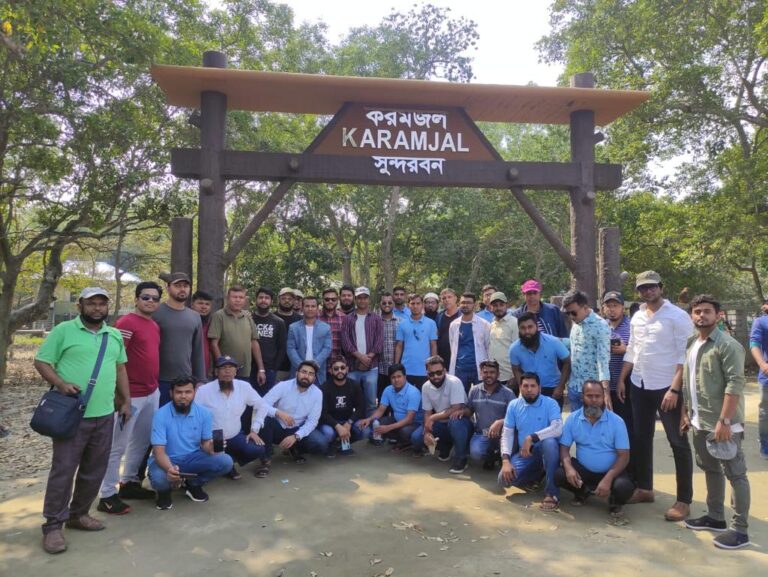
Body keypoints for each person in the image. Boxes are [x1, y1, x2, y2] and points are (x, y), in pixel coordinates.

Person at [34, 287, 130, 554]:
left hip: (104, 415)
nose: (97, 308)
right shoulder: (64, 331)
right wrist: (60, 384)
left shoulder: (113, 335)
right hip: (72, 416)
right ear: (81, 306)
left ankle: (79, 514)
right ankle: (53, 525)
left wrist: (126, 401)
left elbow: (120, 368)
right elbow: (42, 361)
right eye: (92, 303)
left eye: (102, 304)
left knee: (94, 469)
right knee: (63, 470)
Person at [618, 270, 694, 522]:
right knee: (641, 438)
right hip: (639, 384)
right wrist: (622, 378)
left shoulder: (678, 316)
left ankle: (684, 500)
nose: (647, 291)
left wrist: (675, 388)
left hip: (667, 387)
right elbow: (632, 350)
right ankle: (645, 488)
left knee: (678, 443)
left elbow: (685, 355)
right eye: (642, 288)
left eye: (651, 287)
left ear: (661, 287)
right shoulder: (638, 316)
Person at [681, 295, 752, 550]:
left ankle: (740, 530)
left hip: (723, 423)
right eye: (697, 311)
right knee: (710, 468)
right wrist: (687, 413)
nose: (702, 316)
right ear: (692, 316)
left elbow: (735, 383)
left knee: (736, 474)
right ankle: (715, 517)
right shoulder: (692, 343)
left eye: (707, 311)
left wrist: (725, 420)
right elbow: (691, 382)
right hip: (701, 421)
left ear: (718, 315)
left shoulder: (727, 345)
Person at [97, 282, 162, 516]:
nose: (150, 301)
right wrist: (121, 397)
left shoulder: (153, 325)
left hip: (151, 393)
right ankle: (107, 494)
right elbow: (115, 361)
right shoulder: (126, 324)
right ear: (136, 299)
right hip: (131, 396)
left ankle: (129, 483)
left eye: (155, 298)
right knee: (117, 446)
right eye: (146, 297)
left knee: (142, 441)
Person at [196, 356, 289, 479]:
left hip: (235, 434)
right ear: (216, 372)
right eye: (223, 368)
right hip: (214, 436)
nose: (227, 371)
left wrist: (254, 430)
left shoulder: (244, 387)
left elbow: (262, 405)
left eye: (231, 368)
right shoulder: (203, 391)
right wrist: (202, 440)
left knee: (257, 449)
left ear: (236, 372)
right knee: (219, 462)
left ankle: (231, 462)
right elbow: (194, 417)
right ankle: (227, 466)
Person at [148, 376, 233, 510]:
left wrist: (211, 448)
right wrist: (170, 469)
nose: (183, 396)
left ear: (194, 393)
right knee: (160, 479)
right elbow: (159, 452)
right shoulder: (160, 415)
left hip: (192, 457)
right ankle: (164, 492)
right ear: (171, 393)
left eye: (188, 392)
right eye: (179, 392)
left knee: (225, 462)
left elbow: (205, 443)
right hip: (167, 459)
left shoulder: (204, 413)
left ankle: (193, 484)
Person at [555, 380, 634, 516]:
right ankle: (582, 492)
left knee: (624, 488)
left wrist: (608, 478)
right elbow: (564, 448)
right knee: (559, 474)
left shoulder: (617, 422)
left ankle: (614, 502)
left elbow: (624, 456)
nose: (594, 400)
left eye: (598, 396)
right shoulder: (573, 419)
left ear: (604, 397)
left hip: (611, 472)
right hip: (584, 471)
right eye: (589, 396)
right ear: (582, 397)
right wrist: (568, 468)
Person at [498, 373, 562, 511]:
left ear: (539, 387)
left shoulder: (550, 403)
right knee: (504, 480)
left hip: (547, 450)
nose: (529, 389)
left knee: (550, 443)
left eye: (533, 386)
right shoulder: (514, 405)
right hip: (526, 453)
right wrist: (505, 461)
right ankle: (539, 473)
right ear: (520, 387)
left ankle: (551, 493)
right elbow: (507, 433)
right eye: (525, 386)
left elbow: (557, 428)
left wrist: (531, 437)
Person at [252, 360, 327, 472]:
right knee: (265, 420)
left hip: (297, 429)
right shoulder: (283, 386)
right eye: (304, 372)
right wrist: (278, 412)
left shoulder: (317, 393)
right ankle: (265, 460)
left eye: (311, 374)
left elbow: (312, 422)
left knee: (320, 443)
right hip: (278, 428)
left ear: (314, 378)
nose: (306, 376)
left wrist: (296, 436)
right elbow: (261, 405)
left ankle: (295, 448)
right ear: (297, 373)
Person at [411, 356, 473, 473]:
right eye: (432, 374)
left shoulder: (454, 382)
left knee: (455, 421)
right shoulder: (425, 387)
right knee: (417, 438)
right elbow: (427, 412)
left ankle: (461, 458)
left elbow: (456, 408)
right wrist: (427, 431)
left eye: (439, 373)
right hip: (442, 423)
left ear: (445, 371)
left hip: (461, 422)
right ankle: (445, 447)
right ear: (427, 374)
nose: (435, 376)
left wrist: (433, 417)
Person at [153, 272, 206, 406]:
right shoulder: (155, 312)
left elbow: (198, 350)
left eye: (185, 286)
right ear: (168, 288)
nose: (182, 289)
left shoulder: (194, 316)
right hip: (159, 380)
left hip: (185, 381)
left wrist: (200, 379)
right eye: (177, 285)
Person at [562, 290, 611, 411]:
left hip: (592, 392)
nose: (571, 317)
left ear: (585, 307)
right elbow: (575, 346)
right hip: (574, 386)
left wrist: (605, 391)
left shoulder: (601, 326)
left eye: (573, 313)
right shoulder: (576, 322)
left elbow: (603, 360)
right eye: (567, 313)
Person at [208, 285, 265, 385]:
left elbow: (254, 343)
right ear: (228, 299)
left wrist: (261, 369)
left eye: (241, 297)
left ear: (244, 300)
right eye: (234, 297)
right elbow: (214, 344)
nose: (238, 300)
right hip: (225, 372)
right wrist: (221, 366)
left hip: (245, 371)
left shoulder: (247, 317)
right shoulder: (219, 316)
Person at [509, 312, 570, 404]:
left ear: (536, 327)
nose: (527, 331)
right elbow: (516, 369)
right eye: (523, 328)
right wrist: (522, 387)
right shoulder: (514, 348)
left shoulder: (553, 342)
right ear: (518, 329)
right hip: (530, 390)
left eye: (530, 327)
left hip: (552, 389)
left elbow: (567, 362)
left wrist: (560, 386)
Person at [464, 360, 515, 469]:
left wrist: (500, 422)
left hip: (502, 434)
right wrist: (460, 411)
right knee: (476, 454)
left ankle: (501, 455)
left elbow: (515, 417)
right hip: (482, 433)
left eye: (492, 372)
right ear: (481, 373)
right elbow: (469, 410)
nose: (488, 375)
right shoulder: (474, 390)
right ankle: (491, 456)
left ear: (498, 374)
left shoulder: (508, 393)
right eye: (485, 372)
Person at [358, 364, 422, 450]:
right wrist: (368, 420)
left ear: (405, 377)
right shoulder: (388, 389)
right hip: (397, 421)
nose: (396, 380)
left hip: (414, 424)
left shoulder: (413, 392)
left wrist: (388, 428)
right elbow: (380, 410)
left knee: (404, 431)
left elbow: (409, 419)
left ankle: (406, 442)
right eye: (393, 377)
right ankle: (397, 439)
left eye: (399, 376)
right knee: (377, 423)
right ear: (390, 379)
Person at [341, 286, 383, 415]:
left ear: (369, 300)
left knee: (371, 401)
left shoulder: (376, 318)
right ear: (355, 299)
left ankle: (370, 429)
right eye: (359, 298)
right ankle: (351, 428)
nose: (362, 301)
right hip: (353, 366)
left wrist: (368, 358)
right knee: (350, 400)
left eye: (365, 298)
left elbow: (379, 340)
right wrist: (360, 357)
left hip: (372, 367)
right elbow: (345, 341)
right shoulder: (348, 319)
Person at [319, 359, 368, 456]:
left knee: (365, 431)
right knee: (328, 434)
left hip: (348, 420)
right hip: (330, 422)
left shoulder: (354, 385)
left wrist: (349, 422)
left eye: (342, 368)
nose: (340, 371)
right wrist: (337, 426)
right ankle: (332, 444)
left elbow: (361, 407)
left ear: (347, 369)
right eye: (336, 369)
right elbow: (323, 413)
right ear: (330, 371)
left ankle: (344, 443)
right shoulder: (324, 387)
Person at [601, 291, 633, 435]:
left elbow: (641, 353)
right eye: (608, 306)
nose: (612, 309)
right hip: (605, 385)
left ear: (622, 307)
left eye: (615, 305)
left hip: (626, 385)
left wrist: (625, 350)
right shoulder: (601, 326)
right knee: (608, 427)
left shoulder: (632, 326)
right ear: (603, 308)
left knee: (626, 425)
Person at [448, 292, 491, 393]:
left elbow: (488, 347)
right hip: (460, 369)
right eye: (463, 302)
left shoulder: (484, 325)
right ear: (459, 304)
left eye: (468, 303)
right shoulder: (454, 325)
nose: (465, 305)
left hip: (478, 369)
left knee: (480, 399)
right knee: (461, 400)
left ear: (475, 305)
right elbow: (452, 347)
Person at [394, 294, 438, 389]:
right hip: (406, 369)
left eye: (418, 303)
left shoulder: (431, 323)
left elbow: (433, 345)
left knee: (424, 399)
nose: (415, 306)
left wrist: (434, 365)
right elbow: (399, 346)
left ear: (422, 305)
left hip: (425, 369)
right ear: (408, 305)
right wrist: (396, 365)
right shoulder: (402, 324)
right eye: (412, 303)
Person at [287, 296, 332, 384]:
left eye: (313, 306)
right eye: (307, 306)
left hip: (317, 374)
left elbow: (327, 348)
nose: (310, 309)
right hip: (298, 372)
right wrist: (302, 367)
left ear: (317, 308)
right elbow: (290, 349)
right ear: (302, 308)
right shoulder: (293, 327)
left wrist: (314, 364)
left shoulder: (326, 328)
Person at [251, 287, 287, 394]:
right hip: (248, 369)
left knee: (265, 403)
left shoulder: (278, 322)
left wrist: (274, 368)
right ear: (256, 300)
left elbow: (282, 347)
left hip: (269, 369)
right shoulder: (248, 319)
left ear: (271, 301)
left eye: (267, 298)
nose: (263, 300)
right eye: (261, 297)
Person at [748, 300, 768, 459]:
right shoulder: (760, 322)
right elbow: (754, 343)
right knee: (765, 413)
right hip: (767, 376)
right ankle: (766, 445)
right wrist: (762, 364)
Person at [487, 291, 519, 387]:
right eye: (495, 305)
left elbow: (518, 350)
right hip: (494, 376)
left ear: (507, 305)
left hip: (509, 377)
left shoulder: (514, 323)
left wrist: (514, 376)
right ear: (490, 307)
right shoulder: (492, 324)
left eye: (501, 305)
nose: (498, 308)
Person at [275, 287, 303, 382]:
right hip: (276, 367)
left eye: (290, 299)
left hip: (295, 366)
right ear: (279, 300)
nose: (286, 301)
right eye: (283, 298)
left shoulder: (300, 319)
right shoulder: (272, 317)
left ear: (294, 301)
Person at [377, 292, 400, 403]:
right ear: (380, 304)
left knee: (397, 400)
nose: (387, 305)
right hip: (379, 368)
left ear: (393, 304)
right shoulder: (375, 321)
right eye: (384, 302)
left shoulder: (401, 322)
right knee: (382, 399)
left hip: (396, 368)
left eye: (390, 302)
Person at [319, 287, 346, 378]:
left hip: (338, 367)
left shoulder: (344, 318)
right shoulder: (315, 317)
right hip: (319, 365)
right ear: (322, 300)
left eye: (333, 299)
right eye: (327, 299)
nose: (330, 301)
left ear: (337, 300)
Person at [191, 290, 214, 377]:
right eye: (200, 303)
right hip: (186, 372)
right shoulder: (186, 323)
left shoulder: (212, 324)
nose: (204, 307)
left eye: (207, 304)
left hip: (205, 373)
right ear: (192, 304)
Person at [436, 288, 461, 368]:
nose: (446, 300)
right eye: (444, 298)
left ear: (455, 298)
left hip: (458, 357)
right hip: (442, 357)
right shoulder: (439, 316)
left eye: (449, 297)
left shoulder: (462, 315)